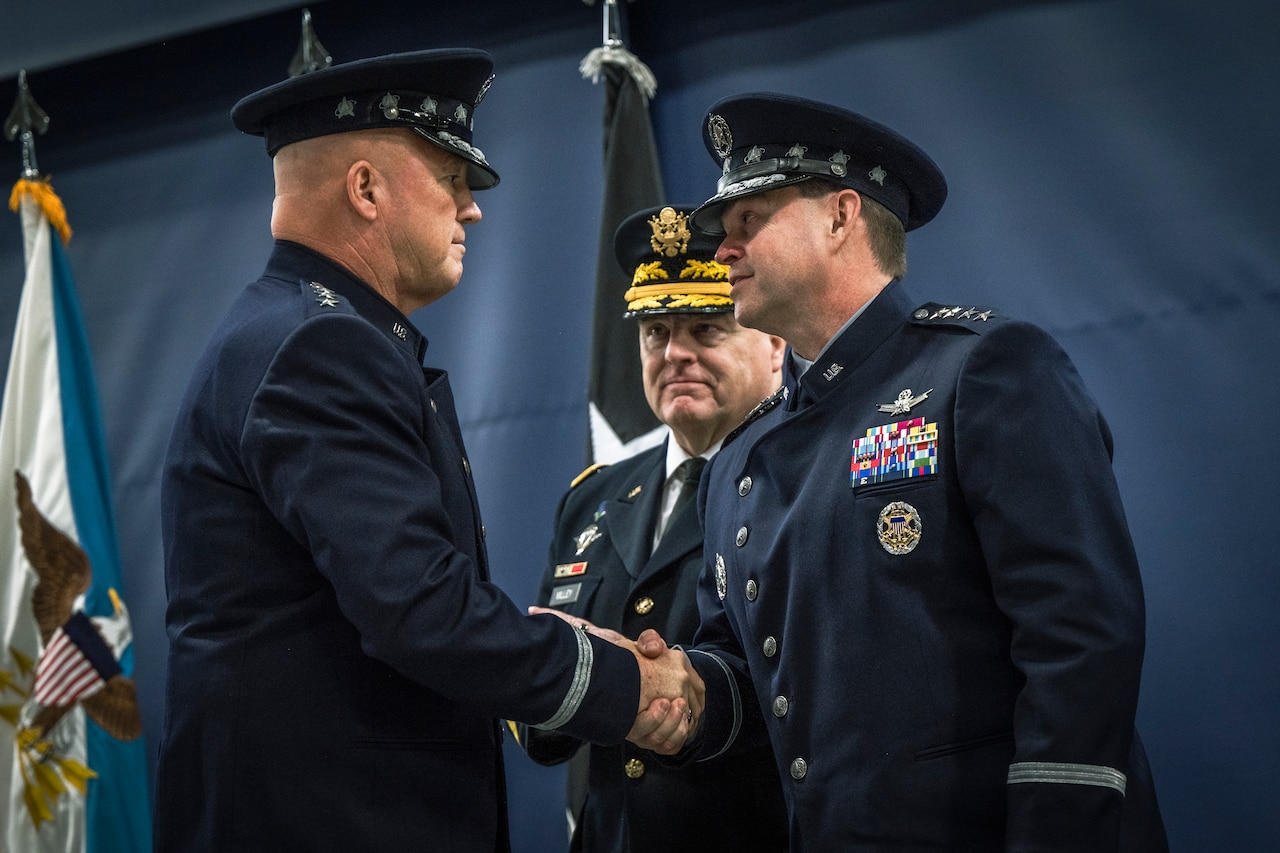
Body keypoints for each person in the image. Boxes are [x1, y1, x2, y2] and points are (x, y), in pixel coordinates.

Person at [153, 49, 701, 852]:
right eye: (450, 176)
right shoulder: (323, 345)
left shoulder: (290, 327)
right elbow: (424, 613)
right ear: (366, 188)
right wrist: (627, 682)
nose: (471, 209)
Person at [651, 92, 1170, 851]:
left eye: (747, 221)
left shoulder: (983, 369)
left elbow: (1080, 639)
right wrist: (665, 688)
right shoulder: (737, 457)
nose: (721, 250)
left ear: (840, 216)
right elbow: (744, 674)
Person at [521, 205, 789, 852]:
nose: (675, 353)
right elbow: (541, 719)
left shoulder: (806, 480)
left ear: (774, 342)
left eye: (706, 327)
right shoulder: (593, 499)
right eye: (654, 332)